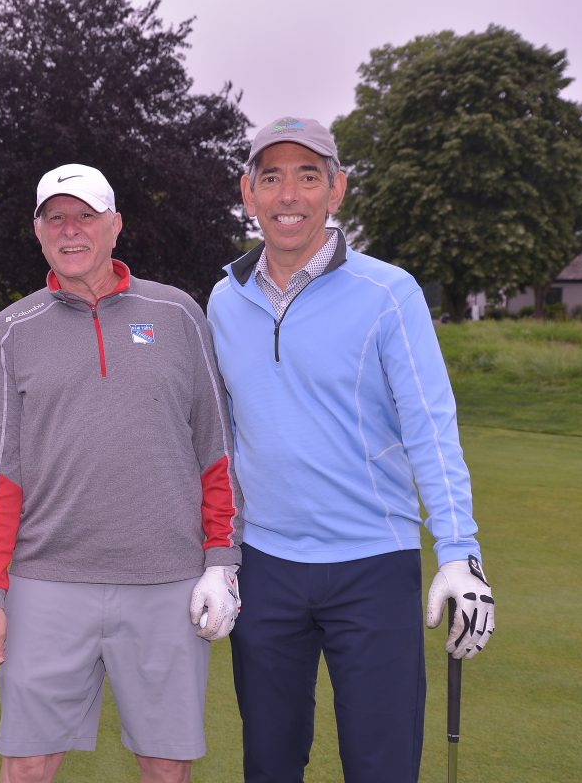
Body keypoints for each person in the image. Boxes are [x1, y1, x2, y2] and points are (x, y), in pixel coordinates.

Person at [207, 116, 497, 782]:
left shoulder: (388, 293)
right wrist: (217, 555)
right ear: (248, 193)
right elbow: (219, 439)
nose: (289, 195)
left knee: (381, 766)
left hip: (372, 565)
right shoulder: (224, 299)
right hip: (266, 567)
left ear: (336, 190)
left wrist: (459, 551)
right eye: (271, 178)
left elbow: (431, 427)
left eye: (308, 176)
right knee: (269, 765)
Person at [0, 163, 242, 783]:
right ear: (38, 232)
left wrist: (222, 560)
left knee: (165, 764)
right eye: (55, 218)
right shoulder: (12, 329)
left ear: (115, 225)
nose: (71, 230)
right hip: (46, 581)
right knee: (27, 764)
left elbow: (216, 449)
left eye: (85, 217)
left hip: (167, 580)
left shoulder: (176, 313)